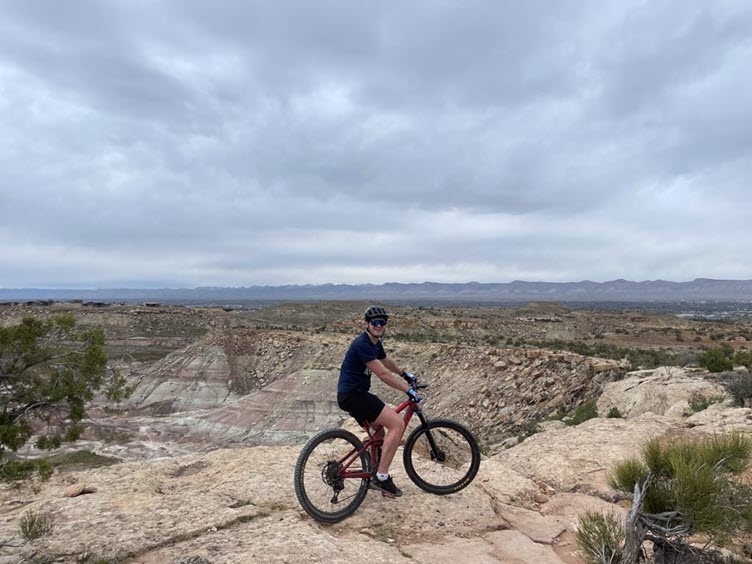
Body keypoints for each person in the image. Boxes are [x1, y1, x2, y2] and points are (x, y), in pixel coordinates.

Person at [337, 306, 421, 498]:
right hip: (354, 395)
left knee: (379, 430)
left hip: (350, 395)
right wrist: (408, 390)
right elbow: (382, 373)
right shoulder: (362, 344)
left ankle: (374, 475)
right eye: (375, 322)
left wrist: (404, 374)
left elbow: (385, 361)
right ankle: (381, 477)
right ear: (366, 324)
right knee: (397, 425)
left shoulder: (375, 343)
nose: (379, 326)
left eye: (382, 322)